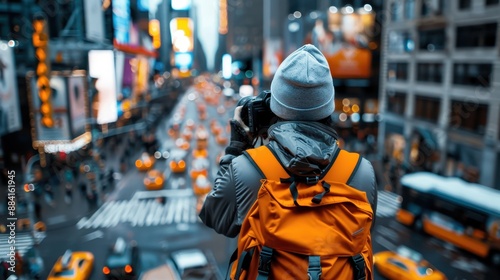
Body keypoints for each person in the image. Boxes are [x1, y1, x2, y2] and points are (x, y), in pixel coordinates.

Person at [199, 44, 378, 278]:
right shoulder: (360, 172)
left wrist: (236, 147)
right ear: (328, 108)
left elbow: (215, 218)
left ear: (274, 106)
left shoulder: (247, 169)